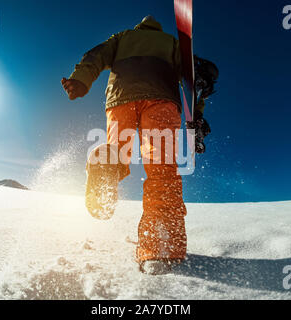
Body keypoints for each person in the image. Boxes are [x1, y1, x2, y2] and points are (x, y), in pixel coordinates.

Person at [62, 16, 216, 275]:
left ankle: (106, 160)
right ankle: (160, 248)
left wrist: (81, 79)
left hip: (120, 99)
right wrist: (199, 108)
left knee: (118, 151)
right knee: (161, 170)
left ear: (140, 27)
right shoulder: (170, 44)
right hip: (161, 100)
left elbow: (96, 54)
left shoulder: (122, 37)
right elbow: (193, 80)